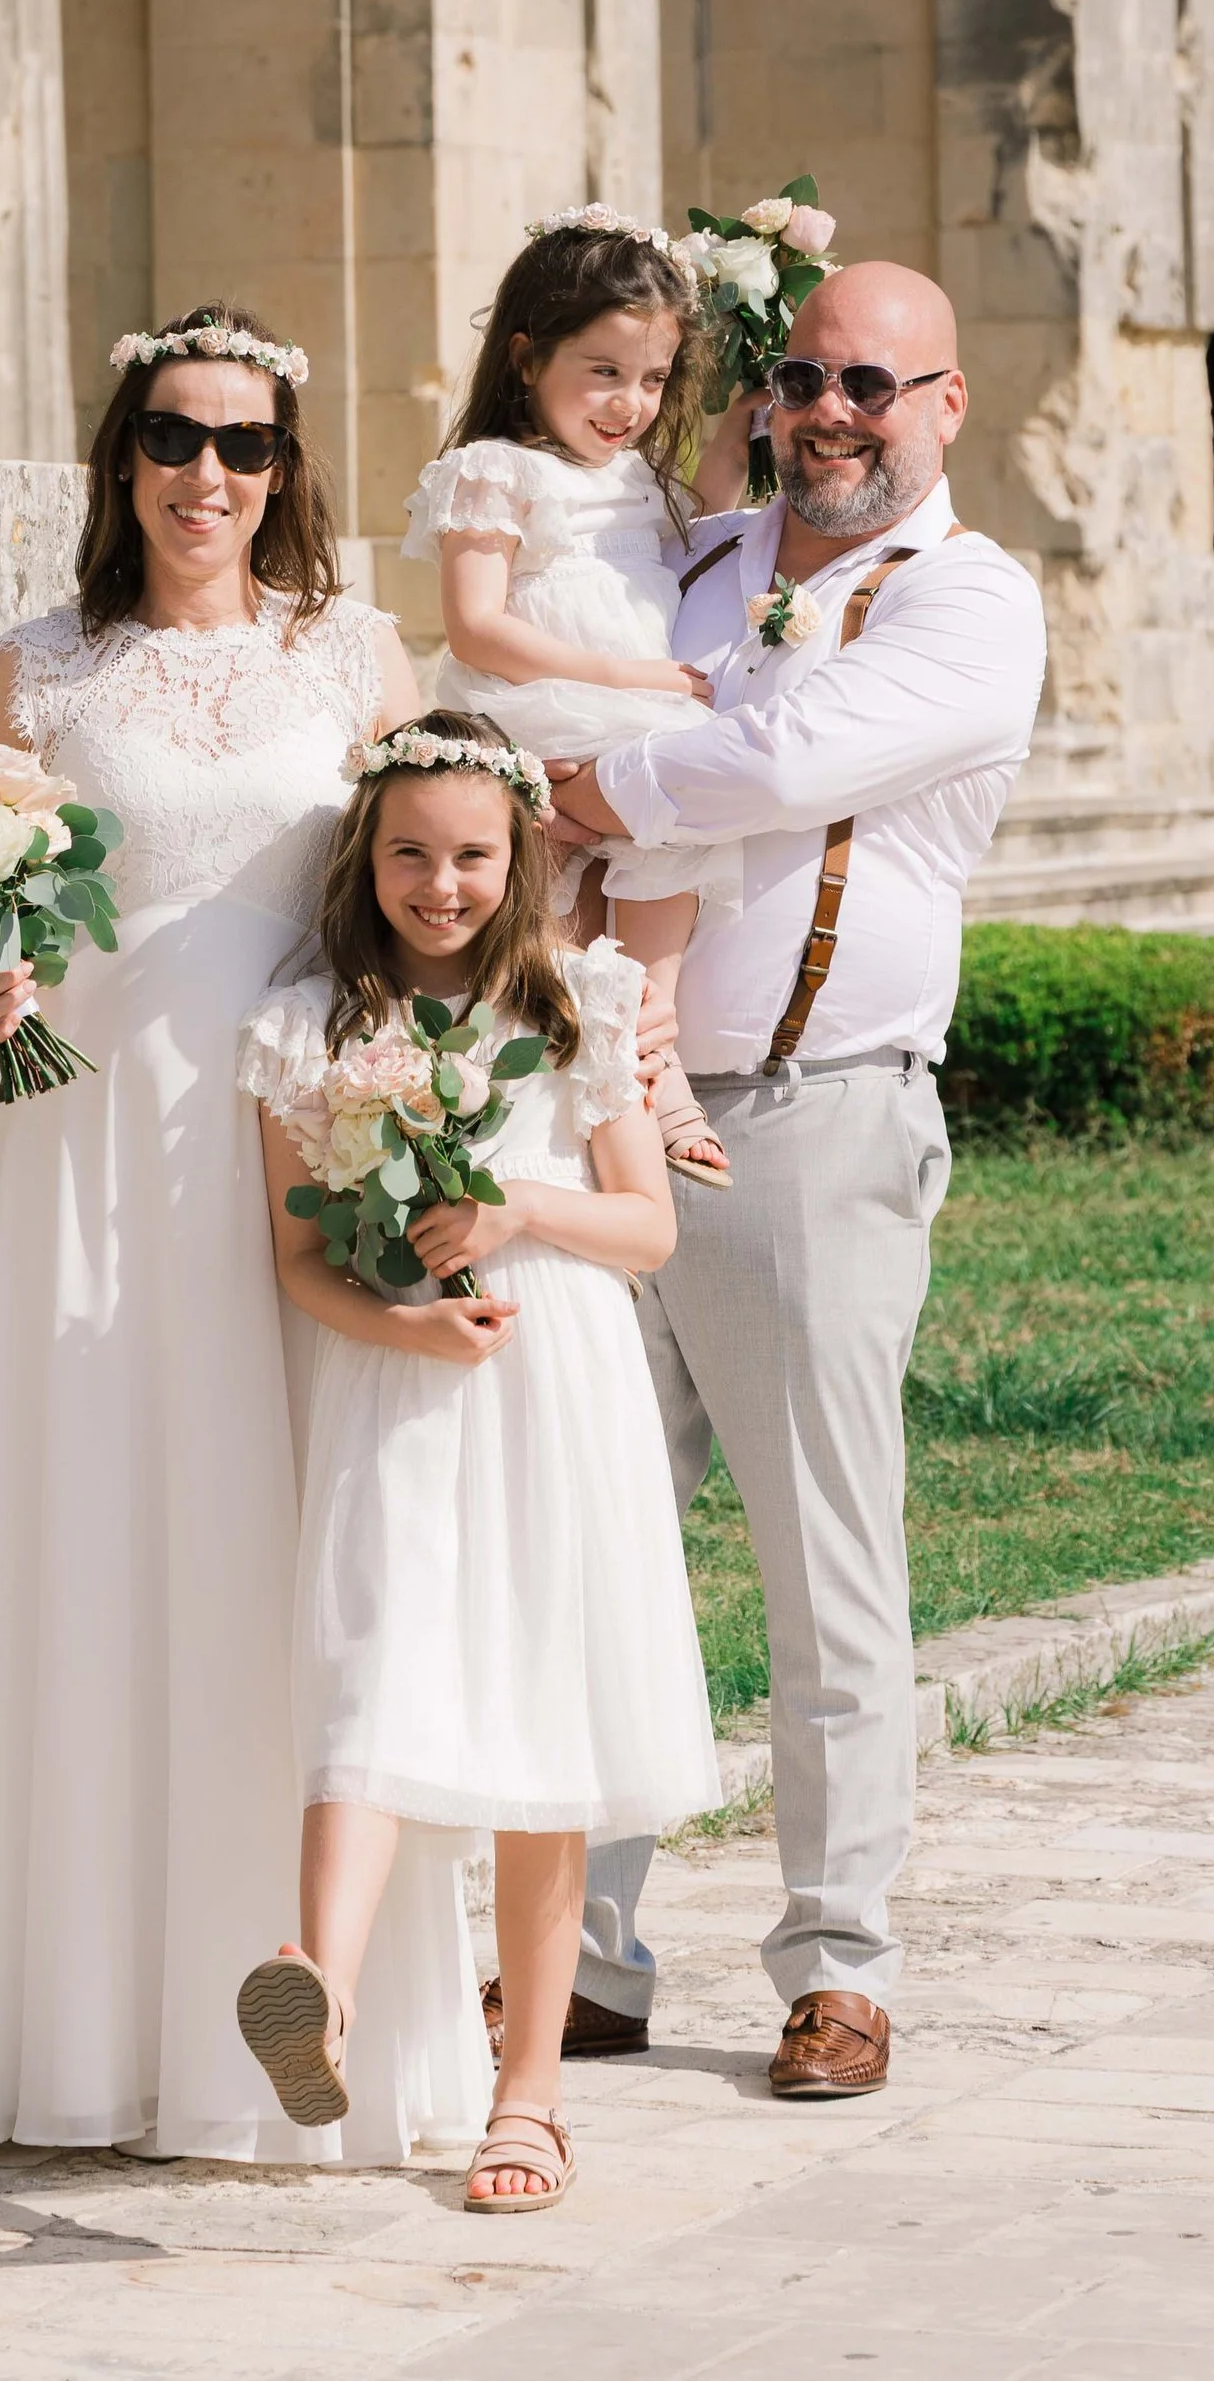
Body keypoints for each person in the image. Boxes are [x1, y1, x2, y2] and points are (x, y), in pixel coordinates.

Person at [0, 304, 445, 2162]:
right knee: (102, 1530)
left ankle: (305, 1996)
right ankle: (84, 2027)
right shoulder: (34, 671)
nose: (206, 475)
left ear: (287, 473)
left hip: (293, 1136)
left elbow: (431, 894)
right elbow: (0, 919)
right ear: (119, 455)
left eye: (245, 445)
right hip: (86, 1140)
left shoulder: (356, 653)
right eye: (171, 437)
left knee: (301, 1539)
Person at [548, 261, 1046, 2104]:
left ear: (944, 405)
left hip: (813, 1124)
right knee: (582, 1535)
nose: (832, 411)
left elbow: (790, 752)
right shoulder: (682, 558)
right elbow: (540, 695)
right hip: (597, 1115)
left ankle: (839, 1961)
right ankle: (578, 1959)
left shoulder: (973, 603)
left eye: (872, 384)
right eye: (803, 376)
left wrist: (601, 789)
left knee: (824, 1559)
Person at [235, 712, 719, 2213]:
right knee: (371, 1669)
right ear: (363, 855)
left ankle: (530, 2099)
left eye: (469, 856)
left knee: (545, 1721)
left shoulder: (579, 998)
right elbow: (300, 1261)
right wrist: (399, 1320)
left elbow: (650, 1229)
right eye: (408, 854)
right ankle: (320, 1978)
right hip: (406, 1381)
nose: (438, 884)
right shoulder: (312, 1022)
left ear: (518, 861)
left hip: (557, 1381)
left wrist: (517, 1202)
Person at [403, 203, 740, 1188]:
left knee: (675, 833)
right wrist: (631, 677)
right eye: (602, 371)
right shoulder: (492, 472)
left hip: (629, 718)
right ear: (526, 357)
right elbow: (478, 628)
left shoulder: (640, 481)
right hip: (535, 710)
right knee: (535, 940)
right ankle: (518, 1116)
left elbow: (708, 525)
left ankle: (652, 1051)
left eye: (651, 377)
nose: (628, 402)